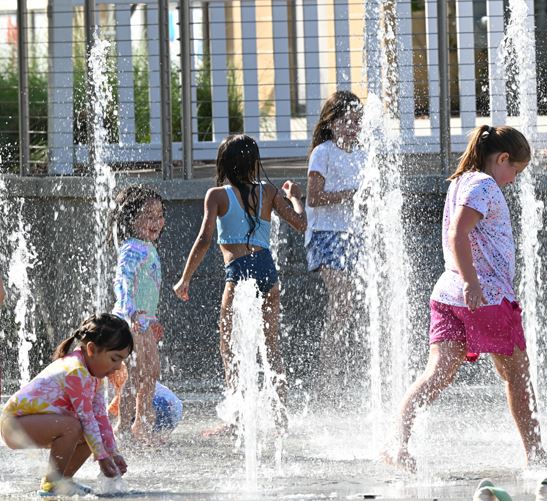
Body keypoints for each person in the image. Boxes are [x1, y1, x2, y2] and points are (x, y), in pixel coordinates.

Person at [384, 125, 547, 471]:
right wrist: (472, 283)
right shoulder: (484, 184)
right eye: (515, 170)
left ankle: (398, 446)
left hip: (447, 294)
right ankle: (535, 453)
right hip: (484, 296)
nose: (514, 178)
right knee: (518, 374)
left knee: (436, 375)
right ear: (502, 158)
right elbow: (459, 232)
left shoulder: (461, 181)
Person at [173, 134, 307, 434]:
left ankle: (236, 420)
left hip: (239, 272)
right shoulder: (269, 192)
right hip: (267, 272)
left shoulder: (217, 195)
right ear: (254, 163)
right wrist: (296, 196)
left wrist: (185, 278)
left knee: (229, 346)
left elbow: (205, 239)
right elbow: (301, 224)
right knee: (272, 347)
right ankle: (281, 419)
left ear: (223, 163)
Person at [0, 313, 131, 497]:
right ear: (92, 349)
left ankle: (63, 480)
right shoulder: (76, 371)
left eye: (122, 360)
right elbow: (87, 418)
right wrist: (102, 457)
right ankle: (52, 484)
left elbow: (100, 417)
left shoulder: (94, 376)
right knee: (75, 426)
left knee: (90, 434)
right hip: (13, 425)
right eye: (115, 358)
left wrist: (112, 452)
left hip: (34, 423)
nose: (118, 367)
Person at [305, 91, 366, 398]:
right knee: (341, 297)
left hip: (353, 235)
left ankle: (342, 371)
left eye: (357, 120)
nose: (352, 126)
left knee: (350, 305)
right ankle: (328, 375)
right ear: (330, 123)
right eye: (346, 120)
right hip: (326, 234)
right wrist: (349, 194)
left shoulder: (363, 153)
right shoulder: (323, 153)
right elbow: (313, 198)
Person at [107, 185, 169, 440]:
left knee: (151, 371)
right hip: (130, 322)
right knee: (136, 374)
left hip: (144, 321)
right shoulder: (132, 248)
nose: (157, 222)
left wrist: (151, 318)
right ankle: (129, 423)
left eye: (159, 215)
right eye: (149, 216)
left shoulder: (146, 246)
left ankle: (142, 420)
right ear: (131, 220)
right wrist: (130, 313)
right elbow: (122, 282)